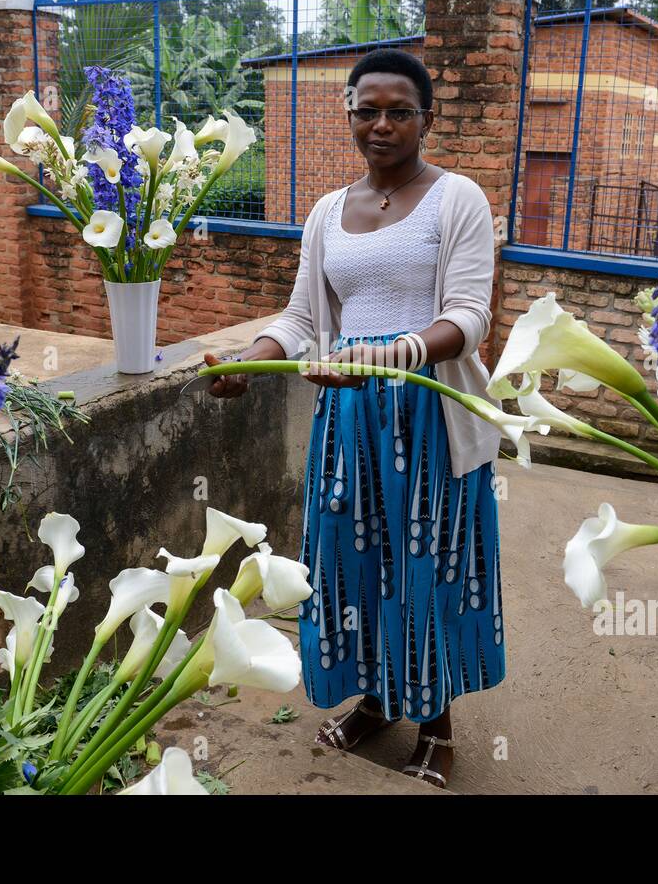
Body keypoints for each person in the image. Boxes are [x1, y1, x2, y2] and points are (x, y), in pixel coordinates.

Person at [204, 47, 505, 788]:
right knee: (355, 567)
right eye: (365, 109)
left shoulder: (458, 199)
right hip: (349, 427)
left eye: (398, 110)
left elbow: (469, 315)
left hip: (430, 419)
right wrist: (252, 357)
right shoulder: (325, 213)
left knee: (424, 569)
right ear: (348, 115)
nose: (381, 124)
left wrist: (391, 354)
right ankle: (375, 701)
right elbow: (304, 317)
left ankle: (435, 725)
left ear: (426, 119)